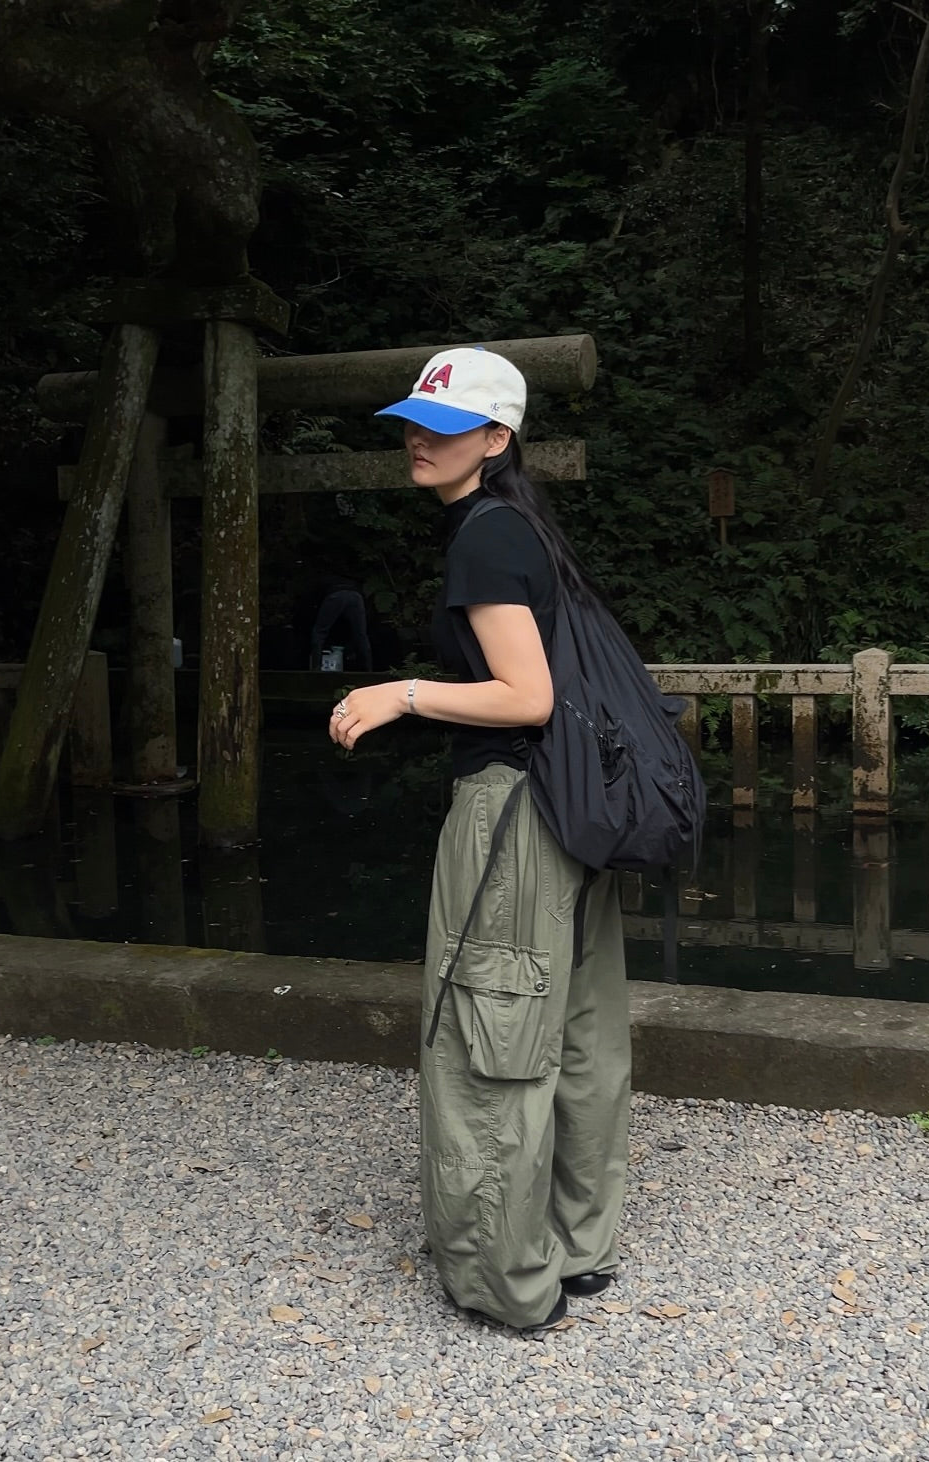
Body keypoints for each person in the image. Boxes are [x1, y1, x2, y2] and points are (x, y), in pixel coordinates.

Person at [328, 347, 630, 1334]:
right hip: (573, 810)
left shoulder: (484, 540)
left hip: (512, 816)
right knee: (578, 1028)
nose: (420, 439)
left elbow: (526, 697)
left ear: (497, 438)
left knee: (487, 1038)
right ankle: (580, 1246)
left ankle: (506, 1281)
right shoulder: (526, 528)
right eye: (414, 422)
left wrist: (403, 693)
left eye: (446, 426)